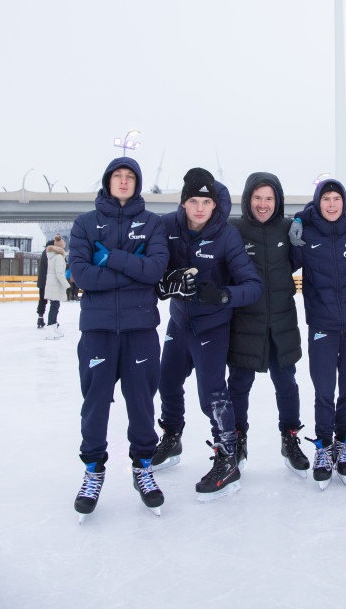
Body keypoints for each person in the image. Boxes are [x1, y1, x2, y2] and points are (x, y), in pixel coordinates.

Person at [153, 167, 263, 501]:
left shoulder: (226, 235)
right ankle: (172, 437)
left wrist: (223, 295)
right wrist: (166, 282)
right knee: (167, 381)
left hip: (212, 326)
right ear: (183, 203)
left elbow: (253, 286)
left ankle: (228, 456)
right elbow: (152, 268)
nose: (200, 208)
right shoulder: (166, 227)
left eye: (206, 202)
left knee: (211, 394)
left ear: (214, 205)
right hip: (179, 321)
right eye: (193, 201)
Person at [69, 157, 169, 518]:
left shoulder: (152, 223)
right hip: (97, 329)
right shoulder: (84, 223)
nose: (124, 181)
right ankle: (93, 470)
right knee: (95, 402)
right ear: (108, 181)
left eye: (130, 177)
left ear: (137, 183)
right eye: (118, 176)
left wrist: (109, 257)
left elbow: (155, 270)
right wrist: (132, 267)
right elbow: (82, 275)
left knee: (141, 402)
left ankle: (143, 466)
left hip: (140, 328)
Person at [226, 172, 310, 478]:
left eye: (269, 198)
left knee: (287, 384)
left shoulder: (287, 228)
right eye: (258, 198)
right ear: (248, 199)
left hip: (281, 322)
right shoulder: (233, 229)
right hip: (245, 323)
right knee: (238, 385)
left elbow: (323, 217)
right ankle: (236, 440)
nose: (263, 204)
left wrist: (302, 218)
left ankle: (290, 438)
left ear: (278, 201)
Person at [289, 178, 346, 489]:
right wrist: (299, 218)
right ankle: (323, 445)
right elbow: (282, 266)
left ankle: (343, 442)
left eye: (337, 199)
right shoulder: (306, 234)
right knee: (324, 390)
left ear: (344, 202)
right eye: (326, 199)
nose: (332, 204)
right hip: (322, 323)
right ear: (317, 203)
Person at [43, 235, 71, 338]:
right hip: (55, 285)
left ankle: (53, 327)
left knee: (55, 306)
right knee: (54, 307)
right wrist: (67, 286)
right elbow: (60, 274)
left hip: (52, 284)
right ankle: (50, 328)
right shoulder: (59, 257)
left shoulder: (53, 256)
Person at [36, 240, 54, 327]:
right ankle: (52, 320)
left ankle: (40, 318)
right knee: (54, 301)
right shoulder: (50, 253)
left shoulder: (44, 252)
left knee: (42, 300)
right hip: (49, 281)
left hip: (42, 281)